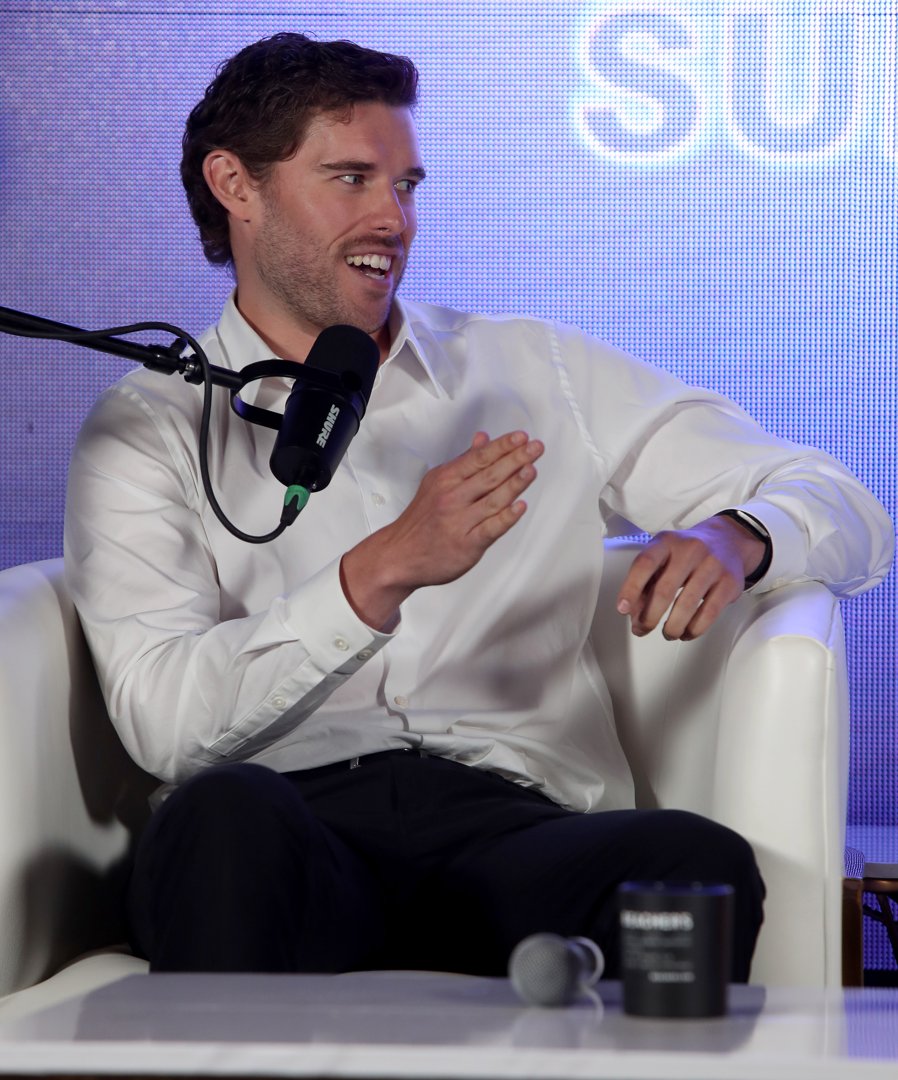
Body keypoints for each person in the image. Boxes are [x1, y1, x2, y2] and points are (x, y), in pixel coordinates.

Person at [64, 32, 893, 980]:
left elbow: (849, 505)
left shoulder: (533, 368)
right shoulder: (148, 427)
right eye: (351, 179)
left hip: (516, 840)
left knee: (690, 864)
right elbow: (163, 723)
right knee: (219, 818)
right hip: (287, 836)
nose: (395, 220)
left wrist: (737, 533)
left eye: (407, 186)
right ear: (235, 185)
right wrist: (381, 570)